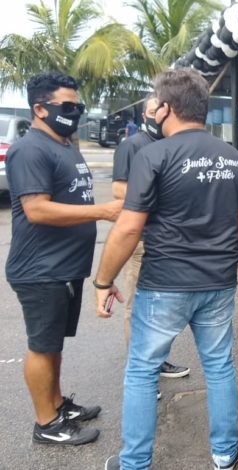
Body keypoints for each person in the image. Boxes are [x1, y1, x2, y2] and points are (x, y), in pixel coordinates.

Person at [96, 69, 238, 470]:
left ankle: (134, 463)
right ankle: (225, 454)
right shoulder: (234, 158)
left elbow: (128, 227)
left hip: (164, 282)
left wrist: (103, 281)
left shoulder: (153, 155)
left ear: (166, 108)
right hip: (219, 280)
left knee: (142, 371)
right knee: (219, 365)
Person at [5, 72, 123, 445]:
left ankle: (57, 405)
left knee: (53, 344)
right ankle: (47, 425)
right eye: (67, 106)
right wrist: (103, 212)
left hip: (65, 268)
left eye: (78, 106)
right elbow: (37, 209)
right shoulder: (30, 149)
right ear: (40, 108)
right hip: (41, 269)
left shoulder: (64, 145)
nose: (75, 112)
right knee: (42, 346)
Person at [112, 94, 190, 384]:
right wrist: (160, 196)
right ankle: (142, 374)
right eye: (153, 110)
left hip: (169, 240)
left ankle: (157, 361)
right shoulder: (132, 145)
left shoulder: (171, 144)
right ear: (145, 115)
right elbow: (119, 190)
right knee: (136, 308)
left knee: (162, 309)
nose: (159, 115)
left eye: (163, 110)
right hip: (142, 239)